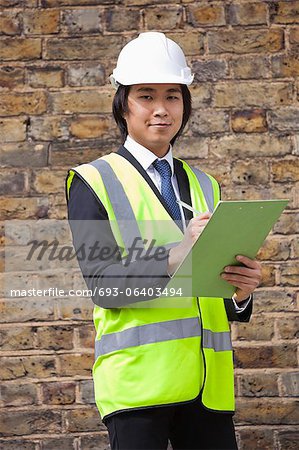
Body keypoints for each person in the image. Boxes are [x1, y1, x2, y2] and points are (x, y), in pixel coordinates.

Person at [66, 32, 262, 450]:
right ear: (123, 105)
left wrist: (240, 292)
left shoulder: (206, 185)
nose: (161, 109)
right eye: (146, 95)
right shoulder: (93, 182)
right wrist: (173, 256)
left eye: (173, 96)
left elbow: (213, 291)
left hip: (207, 389)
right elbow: (103, 285)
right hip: (139, 389)